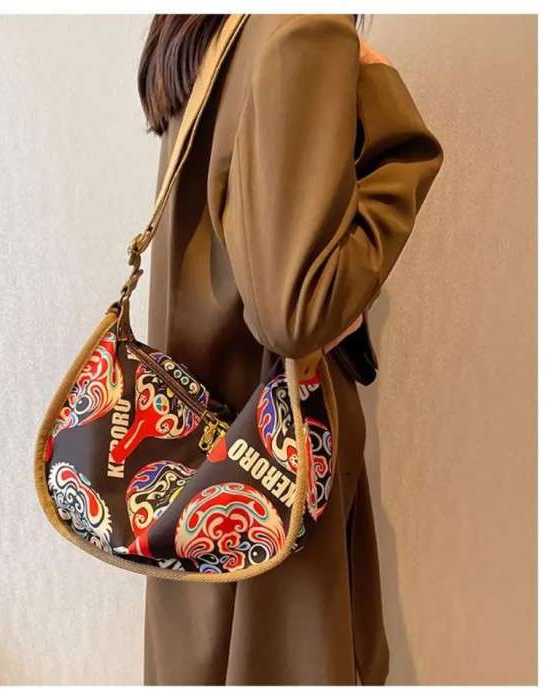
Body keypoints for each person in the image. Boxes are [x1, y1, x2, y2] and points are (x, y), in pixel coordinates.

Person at [138, 13, 443, 685]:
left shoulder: (214, 28)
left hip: (197, 482)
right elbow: (297, 314)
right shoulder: (302, 28)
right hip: (272, 496)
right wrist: (397, 134)